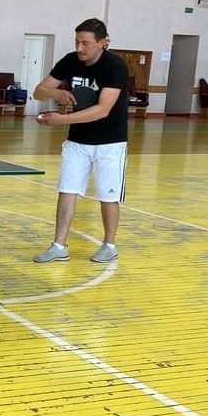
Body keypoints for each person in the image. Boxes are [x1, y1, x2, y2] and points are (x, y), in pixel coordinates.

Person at [32, 18, 129, 264]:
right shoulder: (70, 61)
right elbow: (38, 91)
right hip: (77, 142)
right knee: (67, 190)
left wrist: (61, 120)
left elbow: (103, 110)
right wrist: (56, 92)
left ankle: (109, 245)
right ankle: (59, 246)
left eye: (85, 43)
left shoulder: (115, 66)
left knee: (108, 196)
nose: (79, 48)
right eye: (77, 42)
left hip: (110, 142)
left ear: (103, 42)